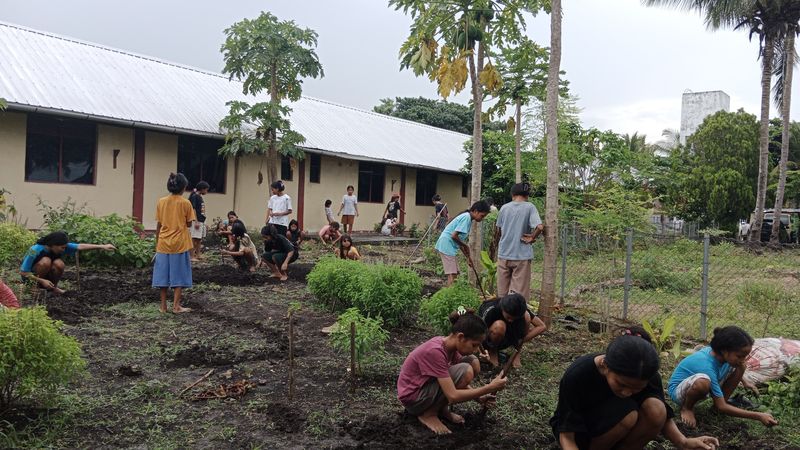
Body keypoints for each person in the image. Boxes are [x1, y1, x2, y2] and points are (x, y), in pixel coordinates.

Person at [551, 334, 719, 450]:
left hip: (618, 422)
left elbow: (663, 416)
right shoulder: (579, 374)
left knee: (656, 408)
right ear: (605, 365)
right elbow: (566, 432)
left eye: (636, 388)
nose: (627, 392)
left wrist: (683, 442)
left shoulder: (647, 375)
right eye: (621, 384)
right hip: (582, 432)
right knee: (629, 415)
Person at [397, 309, 507, 435]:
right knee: (466, 370)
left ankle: (441, 409)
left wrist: (479, 398)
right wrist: (488, 388)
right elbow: (453, 395)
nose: (476, 349)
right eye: (474, 345)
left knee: (473, 361)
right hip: (414, 398)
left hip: (425, 388)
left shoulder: (450, 347)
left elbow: (457, 380)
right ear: (460, 337)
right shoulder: (435, 351)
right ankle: (429, 414)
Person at [668, 326, 777, 429]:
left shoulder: (720, 354)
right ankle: (687, 408)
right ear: (725, 351)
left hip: (700, 384)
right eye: (740, 356)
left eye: (745, 356)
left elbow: (737, 365)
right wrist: (758, 416)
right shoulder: (706, 365)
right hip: (680, 392)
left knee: (741, 366)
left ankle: (719, 403)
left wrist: (745, 381)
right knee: (703, 383)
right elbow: (721, 404)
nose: (743, 359)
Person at [19, 231, 116, 295]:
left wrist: (102, 246)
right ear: (53, 245)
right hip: (31, 277)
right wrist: (41, 281)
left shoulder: (61, 247)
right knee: (46, 261)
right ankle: (33, 287)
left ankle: (53, 288)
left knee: (59, 263)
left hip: (46, 276)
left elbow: (80, 246)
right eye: (62, 248)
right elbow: (23, 272)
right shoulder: (34, 250)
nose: (64, 249)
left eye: (65, 247)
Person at [153, 173, 195, 314]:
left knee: (163, 275)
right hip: (179, 243)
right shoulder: (185, 203)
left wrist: (157, 241)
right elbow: (189, 223)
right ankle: (176, 306)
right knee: (179, 274)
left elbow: (159, 223)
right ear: (183, 187)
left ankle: (163, 306)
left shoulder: (161, 201)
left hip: (163, 243)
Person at [495, 182, 544, 300]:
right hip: (521, 256)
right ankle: (516, 317)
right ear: (527, 195)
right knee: (517, 298)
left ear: (513, 194)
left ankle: (501, 316)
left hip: (504, 254)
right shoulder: (529, 207)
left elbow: (499, 230)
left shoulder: (504, 208)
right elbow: (540, 227)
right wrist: (532, 237)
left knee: (502, 294)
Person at [478, 293, 547, 368]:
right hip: (489, 337)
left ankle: (517, 351)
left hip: (510, 337)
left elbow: (541, 326)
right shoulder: (492, 308)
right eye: (508, 317)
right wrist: (481, 351)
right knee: (499, 326)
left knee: (527, 316)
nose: (511, 320)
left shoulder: (519, 309)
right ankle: (493, 350)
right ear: (503, 309)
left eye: (514, 318)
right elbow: (477, 331)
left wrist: (521, 340)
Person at [434, 201, 491, 286]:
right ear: (475, 211)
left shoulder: (467, 218)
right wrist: (465, 245)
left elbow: (458, 240)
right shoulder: (466, 218)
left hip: (448, 245)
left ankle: (452, 294)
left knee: (456, 273)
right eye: (482, 216)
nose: (482, 218)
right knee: (452, 275)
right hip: (446, 245)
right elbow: (454, 236)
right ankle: (449, 296)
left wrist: (468, 257)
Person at [188, 180, 209, 262]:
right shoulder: (195, 196)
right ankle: (191, 256)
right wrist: (195, 221)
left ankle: (198, 254)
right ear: (202, 189)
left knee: (199, 239)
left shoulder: (199, 196)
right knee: (194, 238)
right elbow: (193, 209)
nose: (206, 191)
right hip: (196, 221)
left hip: (201, 221)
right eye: (206, 189)